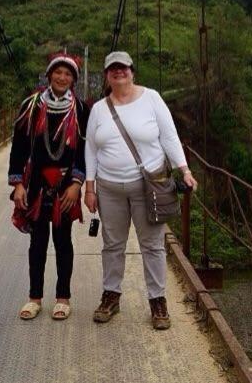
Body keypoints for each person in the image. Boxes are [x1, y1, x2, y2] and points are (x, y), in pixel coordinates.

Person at [84, 51, 198, 330]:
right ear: (107, 76)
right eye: (113, 69)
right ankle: (111, 295)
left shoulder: (151, 98)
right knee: (112, 244)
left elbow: (169, 136)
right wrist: (90, 187)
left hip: (147, 188)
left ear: (132, 72)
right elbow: (90, 149)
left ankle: (157, 300)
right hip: (109, 188)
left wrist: (184, 170)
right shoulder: (99, 108)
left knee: (152, 245)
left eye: (123, 68)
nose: (118, 73)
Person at [8, 53, 90, 321]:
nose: (62, 77)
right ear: (49, 75)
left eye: (68, 74)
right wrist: (18, 184)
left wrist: (77, 183)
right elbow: (19, 148)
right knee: (37, 242)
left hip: (66, 188)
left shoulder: (79, 110)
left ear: (73, 80)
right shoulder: (31, 107)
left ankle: (63, 298)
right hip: (37, 186)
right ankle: (35, 298)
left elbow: (84, 150)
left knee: (63, 241)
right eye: (58, 72)